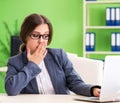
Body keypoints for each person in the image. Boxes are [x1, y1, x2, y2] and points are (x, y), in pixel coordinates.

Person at [5, 13, 101, 96]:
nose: (41, 40)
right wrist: (33, 64)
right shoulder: (15, 62)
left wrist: (92, 90)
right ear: (25, 36)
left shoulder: (59, 55)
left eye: (45, 36)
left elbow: (75, 83)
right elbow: (11, 89)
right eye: (35, 35)